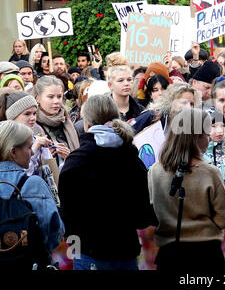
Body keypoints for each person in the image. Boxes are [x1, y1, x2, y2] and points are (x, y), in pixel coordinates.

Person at [58, 95, 156, 270]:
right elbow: (143, 212)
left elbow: (68, 216)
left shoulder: (77, 161)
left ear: (86, 123)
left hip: (90, 253)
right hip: (125, 250)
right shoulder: (131, 157)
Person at [148, 108, 225, 271]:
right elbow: (223, 219)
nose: (209, 139)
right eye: (207, 135)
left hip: (169, 255)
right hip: (206, 254)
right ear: (196, 137)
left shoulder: (154, 171)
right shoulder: (209, 172)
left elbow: (154, 211)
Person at [0, 120, 64, 268]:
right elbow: (54, 232)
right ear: (13, 152)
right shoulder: (33, 184)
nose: (32, 152)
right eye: (29, 147)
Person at [34, 76, 79, 166]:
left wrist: (70, 157)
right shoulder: (32, 124)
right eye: (50, 97)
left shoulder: (66, 121)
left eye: (59, 96)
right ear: (37, 98)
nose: (56, 101)